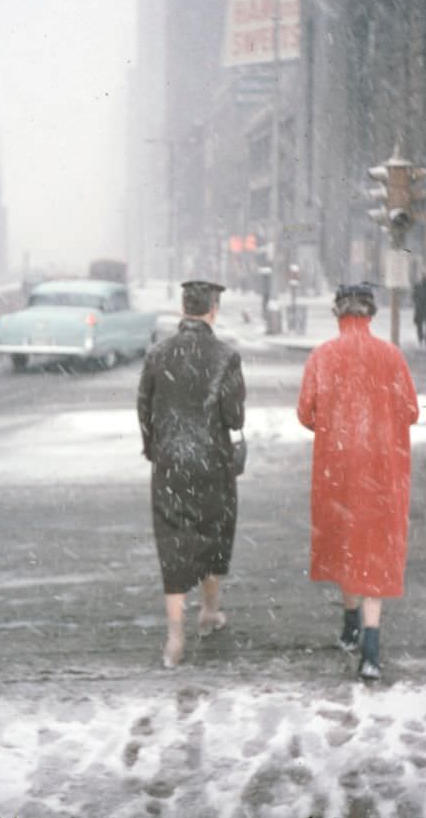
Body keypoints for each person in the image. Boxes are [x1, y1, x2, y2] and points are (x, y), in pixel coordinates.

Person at [297, 283, 419, 680]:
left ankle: (349, 624)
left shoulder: (322, 356)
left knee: (345, 545)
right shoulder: (391, 356)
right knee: (374, 553)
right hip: (382, 470)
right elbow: (411, 411)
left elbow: (305, 413)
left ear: (338, 313)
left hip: (338, 469)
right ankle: (371, 647)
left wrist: (335, 423)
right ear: (371, 314)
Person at [137, 279, 246, 668]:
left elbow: (144, 410)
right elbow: (234, 417)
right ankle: (209, 613)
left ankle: (174, 638)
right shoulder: (225, 357)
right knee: (212, 535)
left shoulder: (157, 355)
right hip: (213, 464)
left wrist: (156, 450)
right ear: (213, 310)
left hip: (170, 465)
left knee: (174, 544)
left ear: (184, 309)